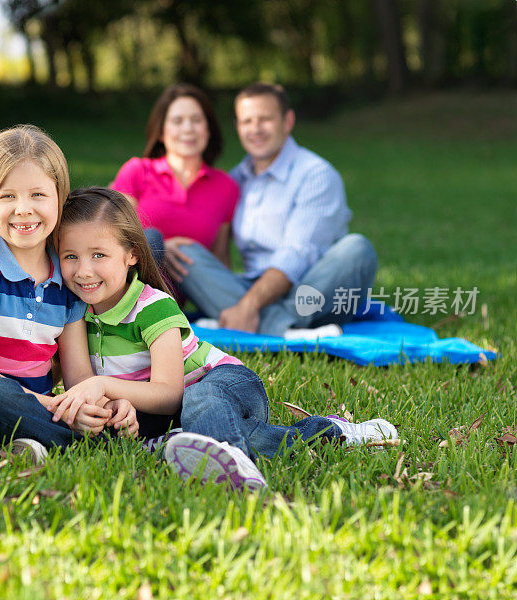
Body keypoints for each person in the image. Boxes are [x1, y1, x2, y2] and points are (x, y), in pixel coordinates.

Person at [48, 187, 398, 491]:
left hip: (222, 382)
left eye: (99, 255)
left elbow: (170, 394)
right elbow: (87, 387)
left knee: (199, 401)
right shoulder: (76, 311)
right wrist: (113, 406)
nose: (84, 271)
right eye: (70, 257)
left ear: (132, 255)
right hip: (166, 410)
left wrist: (106, 387)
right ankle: (332, 434)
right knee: (135, 433)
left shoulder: (152, 308)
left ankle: (235, 468)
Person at [0, 125, 139, 464]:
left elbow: (78, 378)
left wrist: (102, 406)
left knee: (102, 412)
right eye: (7, 196)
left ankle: (35, 444)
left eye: (38, 195)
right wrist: (59, 408)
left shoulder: (67, 281)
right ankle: (83, 444)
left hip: (38, 410)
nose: (23, 209)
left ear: (59, 199)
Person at [173, 83, 378, 339]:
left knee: (357, 248)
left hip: (310, 290)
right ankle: (285, 329)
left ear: (287, 121)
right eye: (247, 121)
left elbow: (297, 255)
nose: (255, 129)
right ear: (238, 127)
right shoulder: (235, 179)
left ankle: (260, 322)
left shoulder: (316, 174)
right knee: (181, 252)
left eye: (265, 119)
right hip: (249, 286)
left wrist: (248, 306)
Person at [111, 83, 239, 273]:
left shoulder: (226, 187)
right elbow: (109, 239)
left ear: (208, 129)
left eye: (196, 120)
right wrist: (158, 249)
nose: (188, 129)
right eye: (177, 121)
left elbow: (219, 261)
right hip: (135, 285)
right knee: (152, 239)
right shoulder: (137, 171)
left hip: (186, 289)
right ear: (161, 132)